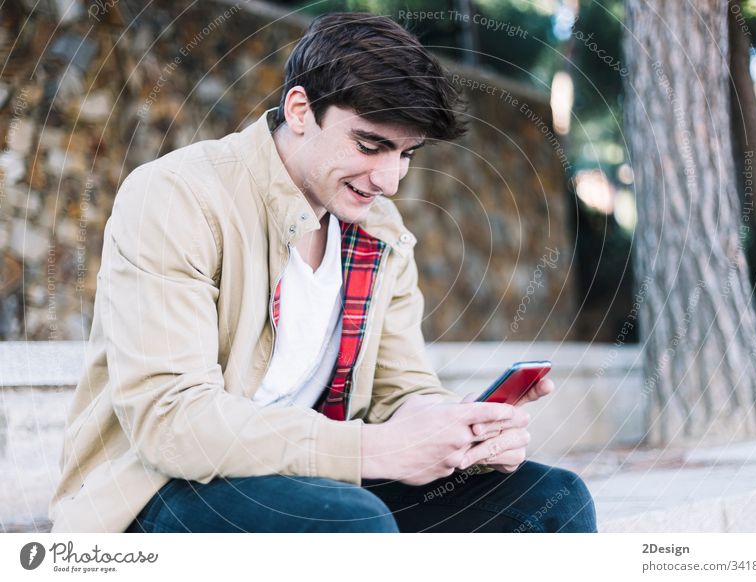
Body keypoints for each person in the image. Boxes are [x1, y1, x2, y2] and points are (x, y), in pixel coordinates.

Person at [49, 12, 597, 533]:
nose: (390, 179)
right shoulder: (176, 197)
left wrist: (458, 429)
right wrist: (374, 451)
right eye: (370, 145)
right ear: (299, 110)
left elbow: (398, 389)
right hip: (162, 489)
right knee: (348, 522)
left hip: (318, 479)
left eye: (406, 153)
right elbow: (170, 423)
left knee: (553, 503)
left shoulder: (378, 228)